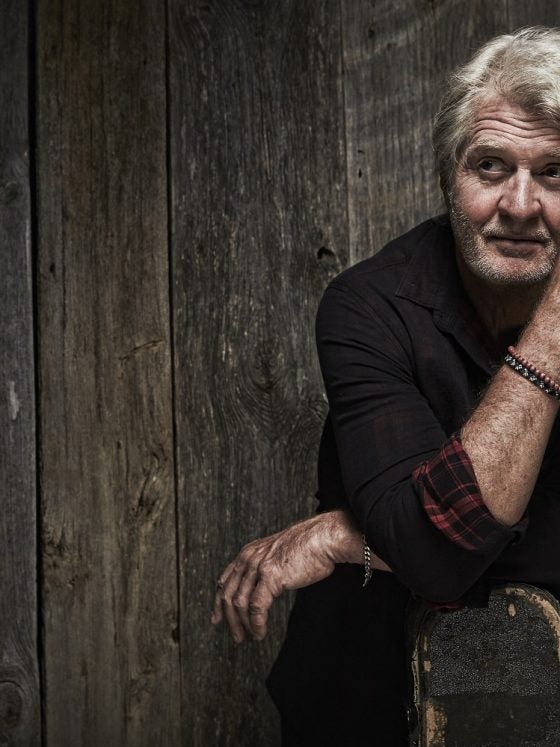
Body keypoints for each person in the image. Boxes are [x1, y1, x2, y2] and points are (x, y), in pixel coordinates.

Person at [211, 27, 560, 745]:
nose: (521, 204)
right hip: (369, 695)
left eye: (555, 172)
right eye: (490, 166)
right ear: (448, 177)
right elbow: (439, 561)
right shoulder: (369, 307)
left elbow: (446, 554)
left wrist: (351, 536)